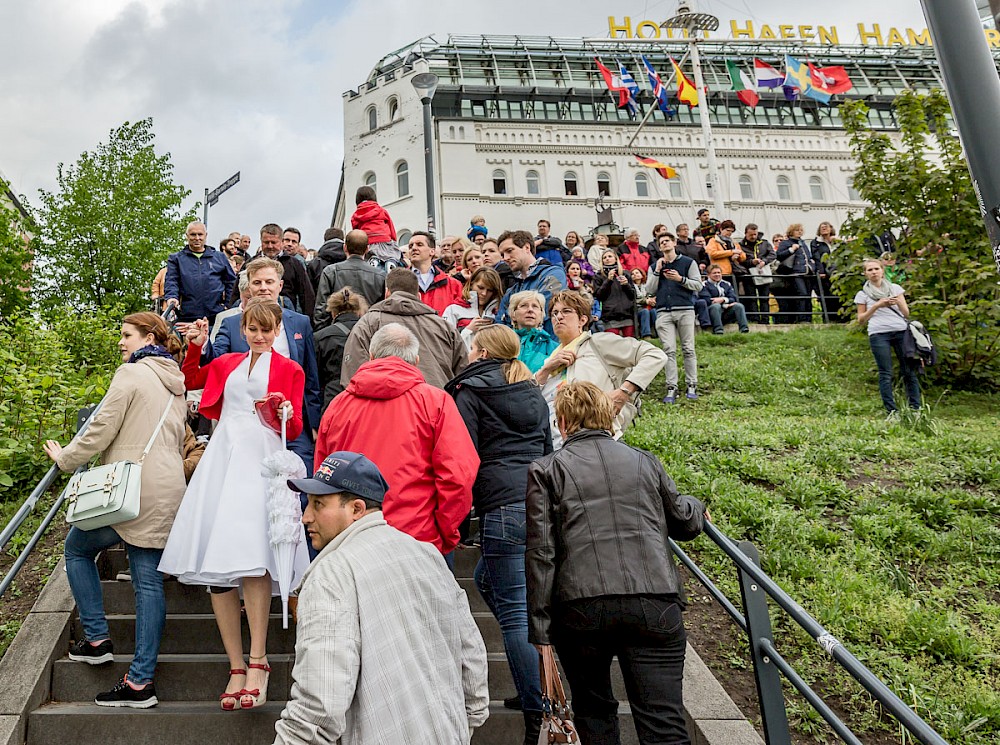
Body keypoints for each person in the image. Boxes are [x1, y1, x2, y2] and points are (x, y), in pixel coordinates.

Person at [526, 381, 706, 745]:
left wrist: (541, 631)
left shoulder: (546, 469)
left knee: (594, 712)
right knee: (663, 719)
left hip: (580, 607)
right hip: (654, 599)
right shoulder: (644, 461)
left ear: (562, 422)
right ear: (608, 418)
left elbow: (542, 553)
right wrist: (697, 505)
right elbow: (685, 522)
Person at [275, 452, 489, 744]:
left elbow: (319, 707)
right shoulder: (426, 554)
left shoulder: (331, 573)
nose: (305, 517)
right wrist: (461, 726)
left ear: (357, 508)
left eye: (318, 504)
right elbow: (472, 658)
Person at [159, 298, 310, 712]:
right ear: (244, 329)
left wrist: (285, 411)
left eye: (267, 329)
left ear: (278, 330)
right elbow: (190, 378)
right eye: (253, 329)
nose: (260, 336)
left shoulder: (289, 369)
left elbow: (294, 426)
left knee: (254, 557)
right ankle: (235, 665)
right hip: (223, 455)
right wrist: (197, 345)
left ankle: (259, 660)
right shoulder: (226, 363)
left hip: (260, 457)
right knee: (218, 561)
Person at [44, 312, 187, 708]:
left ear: (149, 336)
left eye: (126, 335)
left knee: (76, 548)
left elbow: (101, 427)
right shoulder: (175, 381)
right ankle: (140, 681)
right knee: (148, 580)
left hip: (131, 487)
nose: (121, 342)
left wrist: (66, 458)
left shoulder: (131, 375)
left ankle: (96, 638)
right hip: (166, 485)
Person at [444, 325, 551, 744]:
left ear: (484, 351)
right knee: (489, 579)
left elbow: (463, 452)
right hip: (536, 502)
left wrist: (460, 511)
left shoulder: (470, 391)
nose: (470, 352)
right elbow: (545, 446)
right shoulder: (529, 389)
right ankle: (533, 686)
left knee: (514, 615)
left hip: (500, 506)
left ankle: (537, 713)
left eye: (473, 346)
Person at [315, 323, 479, 557]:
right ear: (416, 360)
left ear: (371, 357)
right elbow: (458, 475)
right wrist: (445, 532)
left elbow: (324, 475)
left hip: (353, 538)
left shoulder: (338, 406)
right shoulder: (435, 402)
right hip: (418, 538)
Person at [204, 258, 322, 474]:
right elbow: (215, 363)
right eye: (257, 283)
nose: (264, 288)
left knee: (299, 479)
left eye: (269, 282)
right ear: (249, 285)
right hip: (247, 424)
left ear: (280, 284)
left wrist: (314, 423)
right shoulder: (231, 324)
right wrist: (201, 345)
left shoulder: (300, 322)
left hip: (291, 420)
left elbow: (311, 376)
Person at [534, 290, 665, 448]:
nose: (558, 317)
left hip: (598, 442)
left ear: (582, 320)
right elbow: (532, 401)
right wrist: (545, 370)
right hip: (556, 447)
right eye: (554, 313)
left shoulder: (598, 343)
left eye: (566, 311)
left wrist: (624, 392)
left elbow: (655, 355)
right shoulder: (552, 358)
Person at [340, 268, 467, 389]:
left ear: (387, 293)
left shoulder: (367, 323)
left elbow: (352, 375)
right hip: (435, 404)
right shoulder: (444, 327)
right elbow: (463, 374)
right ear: (418, 296)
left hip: (382, 406)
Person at [855, 259, 922, 416]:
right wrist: (877, 305)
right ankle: (891, 410)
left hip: (900, 331)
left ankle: (915, 408)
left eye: (876, 269)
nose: (874, 272)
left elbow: (906, 313)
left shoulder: (895, 288)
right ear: (865, 274)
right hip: (878, 333)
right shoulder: (862, 294)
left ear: (882, 271)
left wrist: (897, 302)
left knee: (909, 371)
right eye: (870, 270)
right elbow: (861, 319)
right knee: (885, 372)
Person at [646, 234, 703, 403]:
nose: (664, 244)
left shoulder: (687, 262)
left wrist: (680, 279)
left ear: (674, 243)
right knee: (668, 349)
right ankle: (672, 386)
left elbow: (698, 284)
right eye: (661, 242)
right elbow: (649, 289)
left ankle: (692, 383)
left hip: (685, 309)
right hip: (664, 311)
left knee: (688, 348)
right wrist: (657, 270)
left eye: (666, 241)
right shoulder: (655, 265)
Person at [164, 221, 236, 325]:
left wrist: (228, 305)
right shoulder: (176, 259)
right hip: (187, 316)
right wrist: (172, 297)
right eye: (193, 234)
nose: (197, 238)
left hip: (216, 315)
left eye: (200, 234)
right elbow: (171, 281)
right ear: (187, 236)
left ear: (205, 235)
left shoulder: (219, 257)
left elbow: (231, 283)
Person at [494, 229, 566, 332]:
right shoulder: (511, 291)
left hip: (548, 345)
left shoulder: (554, 274)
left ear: (527, 248)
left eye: (509, 251)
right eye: (502, 254)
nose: (505, 258)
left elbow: (541, 314)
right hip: (518, 346)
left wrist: (513, 317)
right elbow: (500, 326)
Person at [314, 229, 386, 327]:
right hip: (368, 332)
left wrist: (322, 334)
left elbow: (322, 308)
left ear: (345, 247)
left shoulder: (331, 271)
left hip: (336, 332)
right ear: (367, 249)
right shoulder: (380, 275)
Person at [315, 288, 369, 410]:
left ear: (333, 312)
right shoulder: (371, 334)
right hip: (364, 399)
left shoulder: (320, 337)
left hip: (332, 400)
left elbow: (315, 378)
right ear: (359, 311)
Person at [258, 223, 316, 316]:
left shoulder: (294, 264)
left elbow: (306, 295)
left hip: (286, 317)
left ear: (281, 242)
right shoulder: (251, 264)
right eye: (266, 242)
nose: (270, 246)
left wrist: (309, 322)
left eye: (273, 242)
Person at [442, 266, 503, 350]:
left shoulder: (498, 314)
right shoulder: (453, 309)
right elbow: (445, 343)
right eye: (480, 287)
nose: (484, 293)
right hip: (461, 361)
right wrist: (468, 330)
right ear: (471, 284)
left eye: (490, 290)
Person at [409, 231, 464, 314]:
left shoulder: (453, 285)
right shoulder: (399, 282)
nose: (413, 248)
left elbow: (460, 316)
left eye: (419, 244)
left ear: (432, 251)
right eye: (410, 246)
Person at [351, 185, 402, 270]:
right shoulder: (381, 210)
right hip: (384, 238)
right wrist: (393, 240)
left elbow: (356, 232)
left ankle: (373, 262)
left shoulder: (355, 215)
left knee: (369, 256)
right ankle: (391, 262)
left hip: (367, 241)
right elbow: (391, 227)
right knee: (391, 254)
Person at [508, 290, 559, 374]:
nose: (530, 310)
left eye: (535, 306)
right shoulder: (502, 343)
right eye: (524, 306)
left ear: (541, 315)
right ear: (513, 315)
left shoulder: (555, 349)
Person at [737, 223, 777, 325]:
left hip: (763, 272)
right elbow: (740, 259)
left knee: (764, 298)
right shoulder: (740, 245)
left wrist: (764, 261)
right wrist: (751, 262)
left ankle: (765, 320)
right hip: (749, 273)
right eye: (751, 235)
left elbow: (772, 254)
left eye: (755, 234)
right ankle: (754, 319)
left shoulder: (764, 243)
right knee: (752, 298)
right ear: (746, 234)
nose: (753, 237)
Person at [776, 224, 816, 324]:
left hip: (807, 272)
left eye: (801, 230)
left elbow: (808, 256)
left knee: (807, 295)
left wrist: (812, 265)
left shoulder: (803, 243)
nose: (800, 232)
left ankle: (808, 319)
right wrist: (791, 250)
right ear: (792, 231)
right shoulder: (786, 243)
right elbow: (779, 255)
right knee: (801, 294)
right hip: (795, 273)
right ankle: (801, 318)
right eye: (797, 230)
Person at [594, 250, 636, 337]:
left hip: (627, 315)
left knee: (630, 344)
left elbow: (633, 295)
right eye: (604, 258)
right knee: (613, 345)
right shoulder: (599, 276)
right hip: (610, 316)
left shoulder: (625, 274)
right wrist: (608, 280)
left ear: (616, 259)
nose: (607, 259)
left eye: (610, 256)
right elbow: (599, 296)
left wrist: (626, 285)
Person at [699, 264, 750, 334]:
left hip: (725, 312)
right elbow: (708, 300)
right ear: (708, 275)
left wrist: (723, 299)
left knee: (739, 306)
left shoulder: (727, 284)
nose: (717, 275)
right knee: (716, 306)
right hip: (711, 312)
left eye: (719, 273)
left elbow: (733, 298)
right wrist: (726, 304)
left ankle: (744, 329)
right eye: (714, 273)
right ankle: (718, 330)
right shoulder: (703, 285)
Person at [811, 221, 842, 321]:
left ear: (831, 229)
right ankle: (829, 318)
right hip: (826, 272)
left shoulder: (836, 241)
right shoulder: (816, 242)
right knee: (827, 296)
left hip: (838, 272)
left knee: (840, 295)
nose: (824, 228)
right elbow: (817, 257)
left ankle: (841, 318)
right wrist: (821, 271)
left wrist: (837, 241)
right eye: (822, 227)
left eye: (826, 227)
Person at [306, 227, 346, 292]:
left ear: (325, 240)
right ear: (343, 239)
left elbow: (309, 292)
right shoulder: (352, 261)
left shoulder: (314, 264)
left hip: (322, 301)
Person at [631, 268, 657, 339]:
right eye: (632, 274)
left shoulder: (647, 286)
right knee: (645, 312)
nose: (635, 275)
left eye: (637, 273)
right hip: (637, 309)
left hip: (649, 307)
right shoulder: (631, 287)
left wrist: (652, 300)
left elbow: (651, 295)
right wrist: (645, 301)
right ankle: (646, 335)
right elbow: (633, 300)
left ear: (642, 275)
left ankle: (659, 332)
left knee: (653, 311)